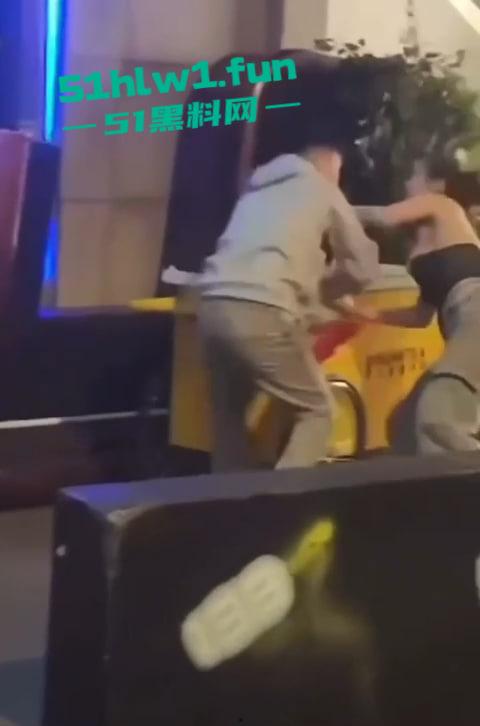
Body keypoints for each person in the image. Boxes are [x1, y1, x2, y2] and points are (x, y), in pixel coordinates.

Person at [196, 125, 382, 473]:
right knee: (317, 409)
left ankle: (227, 499)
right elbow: (362, 266)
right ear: (329, 163)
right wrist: (335, 291)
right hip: (261, 310)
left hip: (211, 305)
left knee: (228, 418)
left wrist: (318, 291)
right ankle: (281, 498)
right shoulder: (321, 187)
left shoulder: (255, 192)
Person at [360, 184, 480, 454]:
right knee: (403, 423)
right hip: (463, 324)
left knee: (437, 415)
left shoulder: (443, 207)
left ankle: (466, 478)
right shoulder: (425, 247)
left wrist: (327, 207)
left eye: (413, 178)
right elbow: (421, 317)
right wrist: (363, 314)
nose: (407, 185)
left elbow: (383, 216)